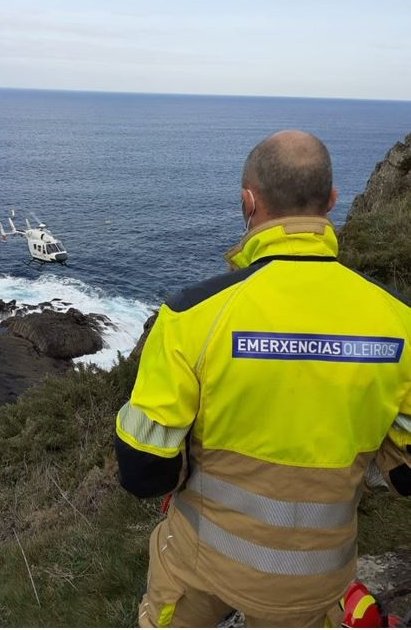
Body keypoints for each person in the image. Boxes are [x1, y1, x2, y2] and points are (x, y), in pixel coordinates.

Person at [115, 130, 410, 628]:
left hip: (203, 565)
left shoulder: (192, 316)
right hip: (320, 579)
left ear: (248, 202)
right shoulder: (399, 323)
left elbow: (142, 471)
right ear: (331, 200)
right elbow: (405, 475)